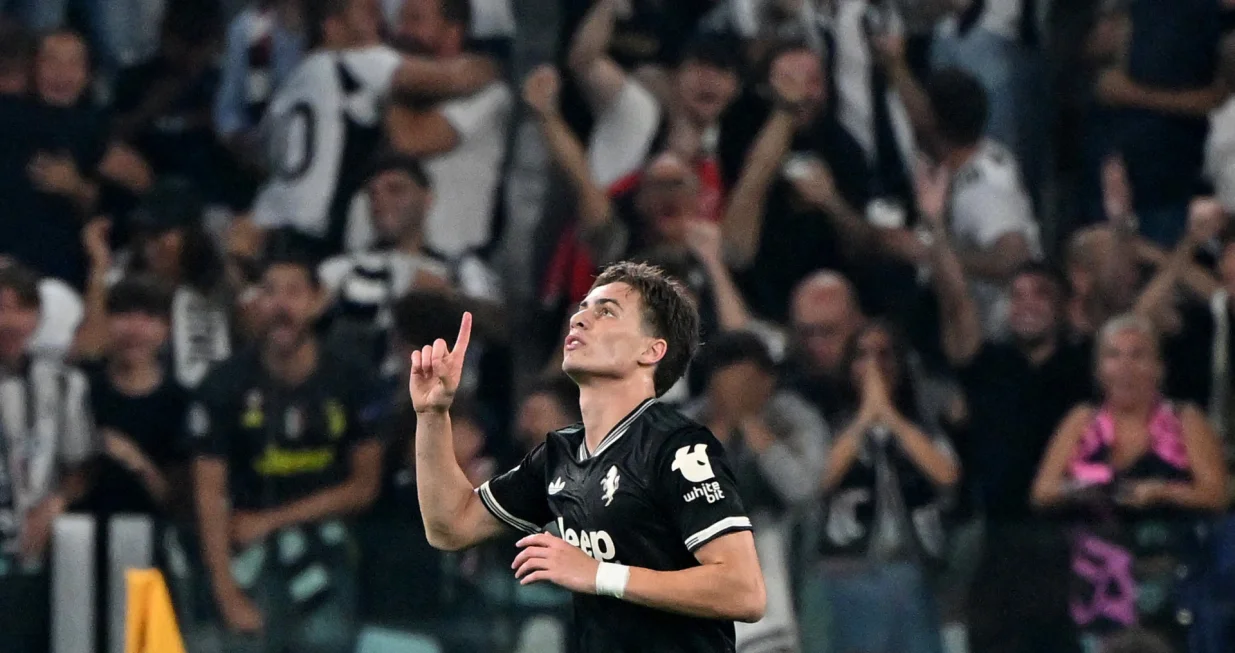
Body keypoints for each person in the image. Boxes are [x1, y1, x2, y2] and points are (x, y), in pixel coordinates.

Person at [413, 261, 766, 652]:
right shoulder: (558, 455)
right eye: (582, 307)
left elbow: (744, 591)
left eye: (606, 311)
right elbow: (450, 526)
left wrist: (599, 574)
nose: (580, 318)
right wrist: (433, 416)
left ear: (652, 350)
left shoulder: (677, 446)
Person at [188, 254, 385, 653]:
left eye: (293, 293)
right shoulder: (223, 384)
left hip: (326, 553)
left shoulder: (353, 378)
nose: (281, 306)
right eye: (269, 293)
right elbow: (208, 494)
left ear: (317, 301)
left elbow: (364, 487)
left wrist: (271, 520)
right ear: (255, 303)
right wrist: (226, 593)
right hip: (244, 554)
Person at [1031, 315, 1228, 652]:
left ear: (1158, 368)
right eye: (1114, 355)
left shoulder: (1185, 419)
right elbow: (1042, 492)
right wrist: (1081, 489)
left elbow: (1217, 493)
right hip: (1098, 586)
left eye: (1137, 355)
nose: (1125, 366)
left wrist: (1164, 492)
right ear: (1098, 370)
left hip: (1171, 580)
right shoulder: (1081, 420)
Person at [249, 0, 500, 259]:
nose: (385, 28)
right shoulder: (361, 61)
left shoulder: (289, 88)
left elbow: (260, 156)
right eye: (368, 15)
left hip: (269, 223)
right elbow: (454, 80)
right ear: (333, 27)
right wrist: (491, 64)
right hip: (317, 230)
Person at [0, 263, 95, 653]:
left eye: (20, 309)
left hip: (33, 557)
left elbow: (81, 465)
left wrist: (55, 504)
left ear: (37, 317)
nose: (8, 321)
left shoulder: (63, 383)